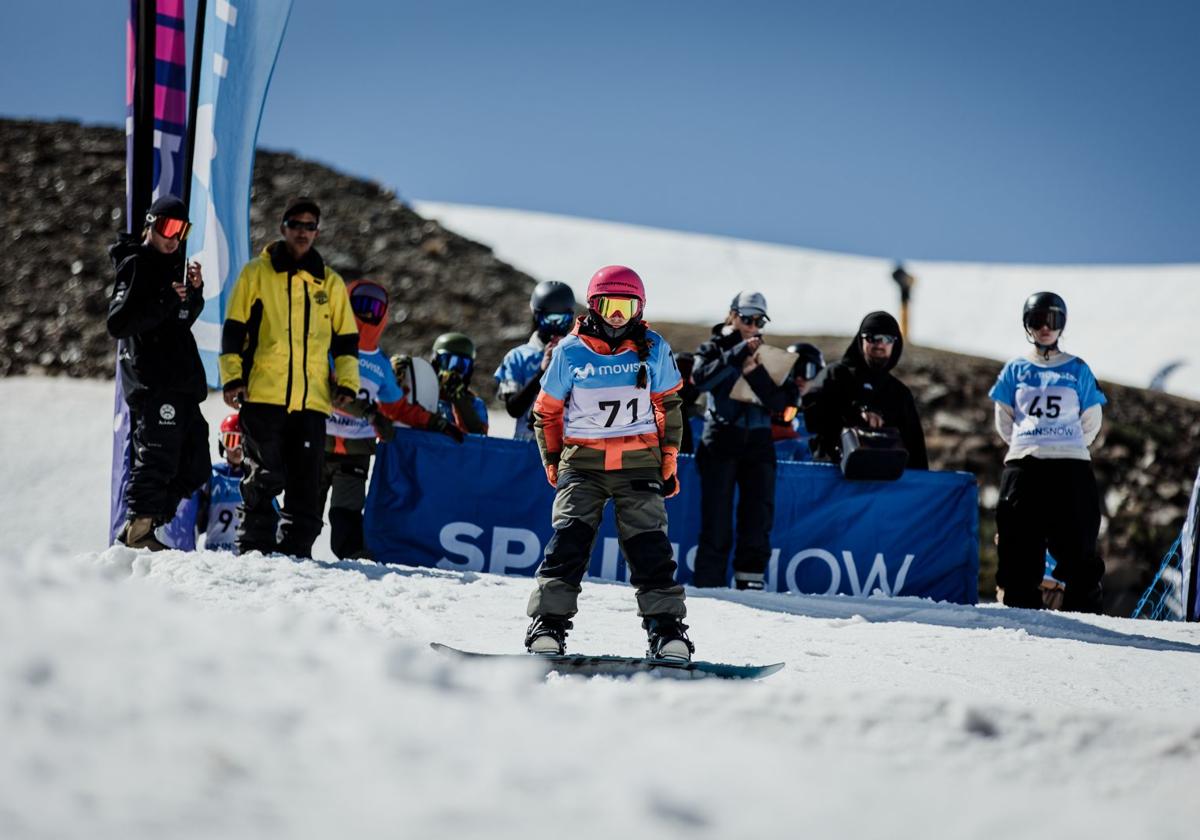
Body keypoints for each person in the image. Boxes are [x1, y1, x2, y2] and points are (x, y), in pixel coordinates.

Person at [524, 265, 692, 660]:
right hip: (583, 465)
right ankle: (547, 625)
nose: (617, 316)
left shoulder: (653, 347)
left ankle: (667, 631)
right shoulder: (570, 350)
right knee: (568, 541)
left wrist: (668, 459)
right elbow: (545, 412)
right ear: (594, 305)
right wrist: (553, 461)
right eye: (608, 306)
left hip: (638, 465)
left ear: (639, 307)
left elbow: (669, 406)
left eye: (626, 307)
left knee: (650, 547)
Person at [219, 197, 359, 558]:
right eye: (296, 224)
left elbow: (346, 339)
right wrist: (233, 378)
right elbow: (234, 329)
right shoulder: (257, 273)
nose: (302, 231)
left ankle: (295, 554)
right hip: (264, 393)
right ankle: (253, 549)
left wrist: (346, 382)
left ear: (317, 231)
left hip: (312, 399)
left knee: (306, 483)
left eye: (310, 226)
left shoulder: (329, 282)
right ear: (282, 227)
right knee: (264, 476)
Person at [322, 280, 464, 559]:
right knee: (305, 509)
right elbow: (324, 391)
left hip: (356, 451)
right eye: (360, 304)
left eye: (375, 307)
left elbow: (397, 407)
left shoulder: (380, 364)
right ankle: (289, 561)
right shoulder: (327, 348)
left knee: (346, 514)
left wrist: (436, 423)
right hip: (317, 440)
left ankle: (354, 561)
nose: (367, 313)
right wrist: (369, 413)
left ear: (384, 315)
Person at [988, 292, 1106, 613]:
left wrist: (1064, 446)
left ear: (1062, 325)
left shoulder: (1078, 368)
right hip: (1025, 466)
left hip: (1071, 467)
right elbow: (1004, 419)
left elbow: (1091, 420)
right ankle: (1021, 622)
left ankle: (1088, 623)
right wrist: (1031, 444)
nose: (1044, 328)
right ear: (1027, 325)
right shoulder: (1014, 370)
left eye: (1052, 320)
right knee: (1019, 548)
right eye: (1036, 321)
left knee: (1078, 548)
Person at [107, 194, 209, 550]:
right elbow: (118, 322)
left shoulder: (175, 265)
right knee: (157, 456)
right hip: (154, 379)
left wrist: (193, 295)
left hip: (181, 380)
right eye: (167, 227)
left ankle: (144, 525)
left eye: (181, 230)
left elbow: (179, 321)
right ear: (150, 223)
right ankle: (139, 529)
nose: (173, 237)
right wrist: (167, 299)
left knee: (197, 464)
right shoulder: (137, 263)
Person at [691, 291, 799, 590]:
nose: (753, 325)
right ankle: (709, 584)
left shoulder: (768, 355)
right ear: (732, 315)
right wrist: (734, 356)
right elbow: (700, 380)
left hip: (759, 441)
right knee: (716, 516)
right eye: (747, 318)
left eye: (759, 320)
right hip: (721, 437)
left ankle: (750, 581)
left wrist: (757, 374)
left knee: (758, 515)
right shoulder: (713, 347)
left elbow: (785, 403)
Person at [802, 311, 928, 469]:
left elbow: (916, 449)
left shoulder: (899, 393)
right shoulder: (835, 376)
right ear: (860, 340)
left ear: (895, 344)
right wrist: (853, 414)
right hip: (833, 480)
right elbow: (807, 416)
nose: (879, 344)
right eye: (872, 337)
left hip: (885, 485)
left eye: (887, 339)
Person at [495, 280, 577, 441]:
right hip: (528, 450)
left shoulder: (581, 356)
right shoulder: (518, 357)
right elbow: (513, 409)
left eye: (563, 320)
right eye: (548, 320)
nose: (556, 327)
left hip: (569, 453)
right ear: (536, 316)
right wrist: (542, 372)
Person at [195, 413, 247, 553]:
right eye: (231, 440)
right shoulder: (212, 476)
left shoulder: (256, 479)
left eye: (241, 442)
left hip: (245, 556)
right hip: (215, 552)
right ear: (222, 444)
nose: (237, 449)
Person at [771, 342, 825, 461]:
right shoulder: (770, 406)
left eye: (808, 371)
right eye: (793, 371)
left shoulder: (828, 411)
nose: (799, 378)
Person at [430, 332, 489, 435]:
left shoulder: (475, 405)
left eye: (463, 365)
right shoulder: (423, 398)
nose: (454, 371)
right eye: (448, 362)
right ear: (436, 364)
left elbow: (479, 438)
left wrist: (460, 401)